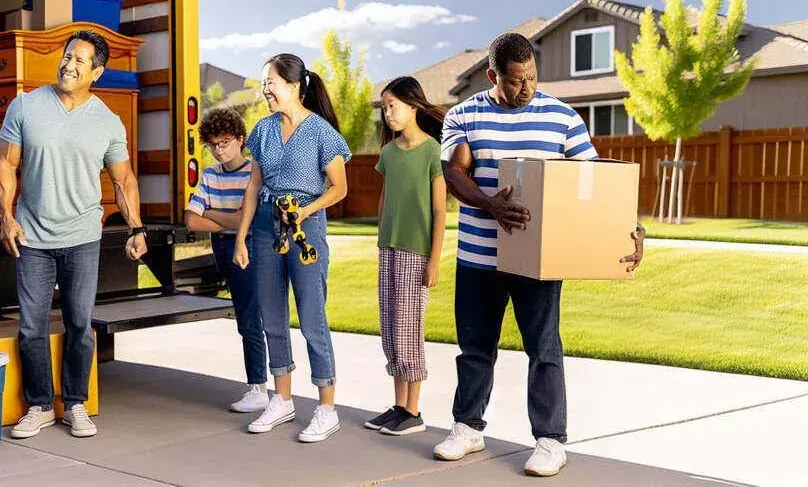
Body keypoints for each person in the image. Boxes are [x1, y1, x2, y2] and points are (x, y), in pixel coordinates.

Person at [434, 32, 645, 476]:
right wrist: (491, 203)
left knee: (543, 348)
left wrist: (628, 228)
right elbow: (454, 173)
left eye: (532, 77)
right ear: (493, 75)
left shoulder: (563, 118)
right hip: (479, 256)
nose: (526, 87)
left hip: (539, 259)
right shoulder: (465, 115)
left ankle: (550, 440)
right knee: (475, 348)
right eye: (515, 80)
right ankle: (467, 428)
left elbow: (592, 187)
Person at [0, 30, 148, 440]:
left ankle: (76, 404)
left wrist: (136, 227)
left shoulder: (108, 122)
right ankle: (41, 405)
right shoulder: (25, 105)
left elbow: (124, 180)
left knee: (80, 323)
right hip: (33, 237)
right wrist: (7, 218)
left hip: (82, 236)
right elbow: (6, 164)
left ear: (96, 71)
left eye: (80, 60)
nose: (69, 64)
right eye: (66, 56)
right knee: (31, 326)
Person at [232, 53, 351, 443]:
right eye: (264, 82)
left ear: (294, 85)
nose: (265, 89)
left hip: (306, 227)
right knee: (271, 315)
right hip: (267, 224)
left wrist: (305, 209)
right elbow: (253, 186)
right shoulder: (263, 130)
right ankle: (281, 399)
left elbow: (339, 188)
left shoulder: (322, 133)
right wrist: (242, 237)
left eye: (271, 82)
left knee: (312, 316)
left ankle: (326, 408)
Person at [364, 76, 446, 437]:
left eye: (392, 106)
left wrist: (434, 260)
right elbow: (385, 198)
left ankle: (414, 411)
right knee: (391, 330)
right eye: (384, 107)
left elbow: (441, 212)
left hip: (417, 252)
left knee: (409, 330)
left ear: (413, 106)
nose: (388, 113)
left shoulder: (432, 151)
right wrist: (382, 236)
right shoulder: (388, 152)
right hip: (390, 249)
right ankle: (399, 407)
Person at [185, 107, 269, 414]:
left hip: (247, 250)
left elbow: (247, 220)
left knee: (250, 318)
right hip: (223, 248)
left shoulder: (253, 174)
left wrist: (211, 214)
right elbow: (191, 221)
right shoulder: (210, 175)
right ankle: (259, 384)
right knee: (245, 316)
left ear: (240, 140)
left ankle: (258, 387)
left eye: (225, 142)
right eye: (213, 144)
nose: (219, 150)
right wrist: (230, 221)